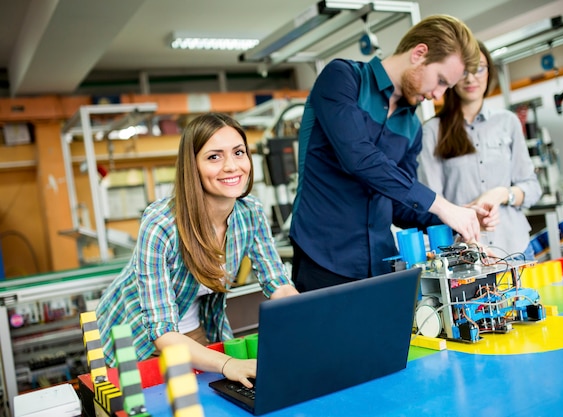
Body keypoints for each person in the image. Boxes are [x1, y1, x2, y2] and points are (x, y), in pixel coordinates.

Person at [289, 14, 497, 292]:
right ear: (419, 53)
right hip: (323, 259)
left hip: (381, 264)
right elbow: (358, 157)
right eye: (441, 81)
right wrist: (442, 205)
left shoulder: (411, 125)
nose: (439, 95)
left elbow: (401, 205)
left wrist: (458, 218)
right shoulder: (343, 78)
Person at [96, 113, 298, 388]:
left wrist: (306, 323)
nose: (231, 166)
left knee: (208, 395)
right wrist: (228, 364)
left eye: (239, 152)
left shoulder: (250, 212)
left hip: (193, 321)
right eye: (214, 157)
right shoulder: (161, 225)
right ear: (192, 166)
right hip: (135, 333)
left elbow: (278, 283)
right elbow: (162, 332)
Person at [418, 41, 542, 260]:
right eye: (464, 70)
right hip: (466, 255)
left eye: (479, 68)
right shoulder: (432, 131)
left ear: (489, 71)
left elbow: (532, 187)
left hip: (517, 249)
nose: (471, 77)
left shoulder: (508, 122)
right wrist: (466, 215)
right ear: (452, 75)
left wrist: (503, 193)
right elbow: (430, 202)